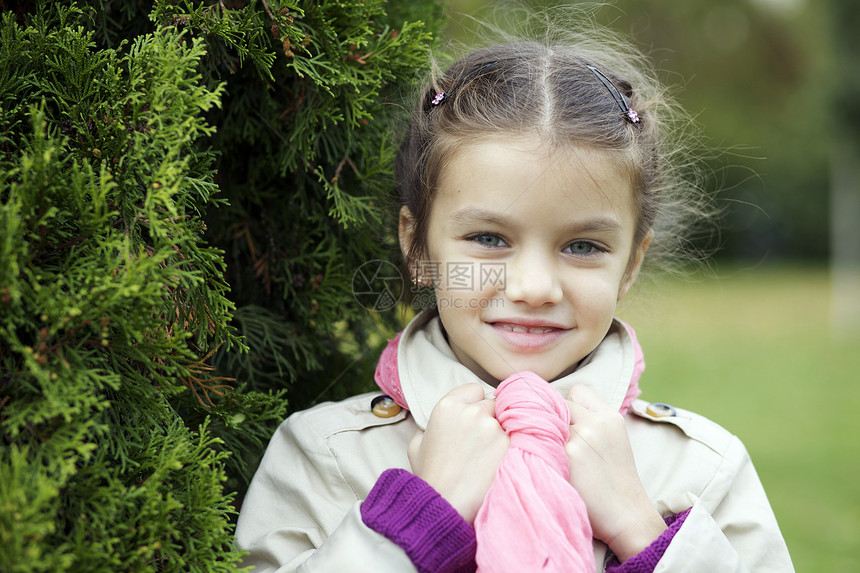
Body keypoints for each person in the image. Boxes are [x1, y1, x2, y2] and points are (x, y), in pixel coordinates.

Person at [235, 15, 794, 573]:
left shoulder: (702, 469)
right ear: (419, 247)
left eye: (583, 246)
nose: (533, 288)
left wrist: (642, 534)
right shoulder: (325, 455)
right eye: (488, 238)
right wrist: (416, 522)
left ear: (631, 264)